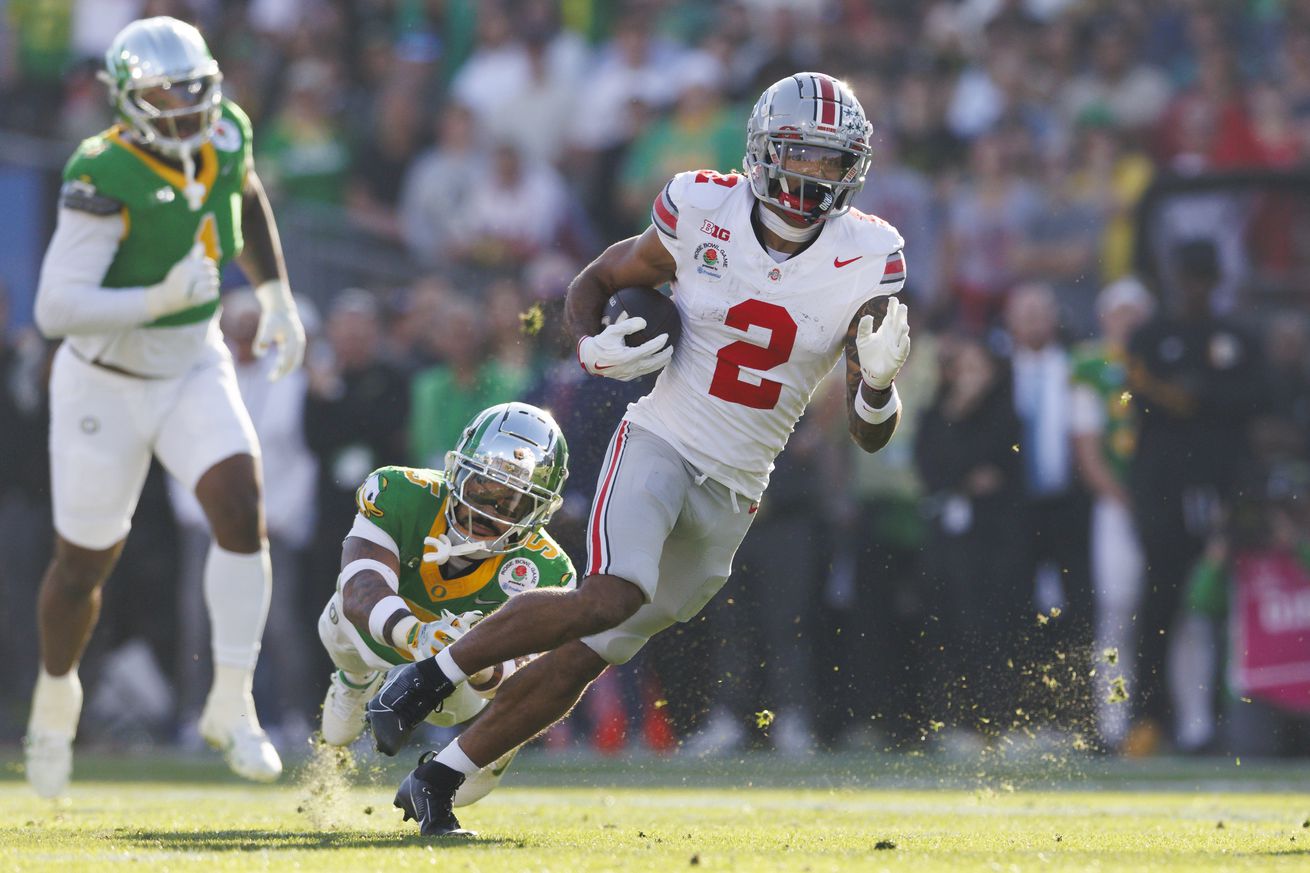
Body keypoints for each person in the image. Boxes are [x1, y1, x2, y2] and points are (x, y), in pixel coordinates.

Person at [367, 72, 912, 836]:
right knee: (613, 592)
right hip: (660, 437)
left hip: (740, 484)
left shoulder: (871, 253)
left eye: (831, 160)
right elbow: (596, 278)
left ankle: (440, 777)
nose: (815, 174)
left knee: (592, 651)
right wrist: (592, 347)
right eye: (801, 153)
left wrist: (881, 389)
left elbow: (868, 431)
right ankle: (423, 679)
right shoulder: (701, 207)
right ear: (763, 149)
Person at [25, 17, 305, 796]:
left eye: (195, 90)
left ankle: (231, 700)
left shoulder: (228, 131)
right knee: (83, 566)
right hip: (104, 379)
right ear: (127, 101)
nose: (185, 108)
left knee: (241, 504)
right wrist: (154, 296)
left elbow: (240, 189)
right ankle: (55, 699)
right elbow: (56, 307)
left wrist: (275, 293)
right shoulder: (101, 165)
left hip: (191, 362)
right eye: (165, 95)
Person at [316, 402, 574, 805]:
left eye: (511, 503)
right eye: (481, 489)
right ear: (456, 471)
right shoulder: (401, 492)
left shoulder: (548, 569)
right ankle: (354, 681)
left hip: (459, 683)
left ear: (539, 511)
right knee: (338, 619)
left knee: (495, 700)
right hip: (387, 631)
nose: (486, 511)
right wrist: (416, 635)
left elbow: (533, 678)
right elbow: (360, 588)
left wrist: (479, 659)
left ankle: (496, 747)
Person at [1068, 278, 1154, 750]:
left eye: (1136, 313)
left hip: (1162, 502)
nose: (1129, 323)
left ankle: (1184, 721)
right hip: (1118, 503)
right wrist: (1124, 495)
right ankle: (1113, 719)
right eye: (1121, 313)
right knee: (1117, 609)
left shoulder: (1161, 360)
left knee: (1178, 611)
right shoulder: (1092, 366)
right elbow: (1087, 448)